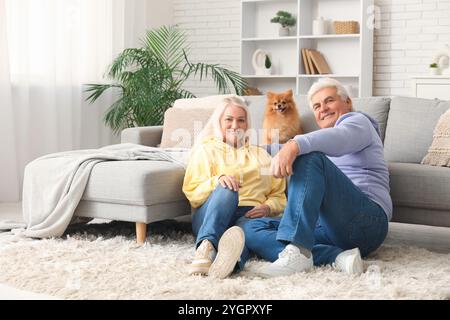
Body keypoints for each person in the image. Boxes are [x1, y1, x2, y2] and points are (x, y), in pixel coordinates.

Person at [242, 78, 392, 277]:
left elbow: (341, 138)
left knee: (308, 155)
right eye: (317, 106)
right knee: (248, 226)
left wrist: (294, 145)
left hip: (366, 222)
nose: (323, 109)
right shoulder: (321, 140)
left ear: (347, 102)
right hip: (330, 229)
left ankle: (299, 249)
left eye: (329, 101)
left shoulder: (358, 122)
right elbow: (275, 149)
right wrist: (245, 151)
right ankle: (335, 257)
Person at [182, 96, 287, 279]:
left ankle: (232, 262)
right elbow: (192, 191)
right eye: (228, 120)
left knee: (244, 232)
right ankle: (206, 247)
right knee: (228, 187)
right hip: (212, 214)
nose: (235, 125)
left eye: (241, 120)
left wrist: (268, 207)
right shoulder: (206, 150)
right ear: (219, 123)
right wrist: (218, 181)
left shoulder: (262, 155)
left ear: (247, 124)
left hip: (248, 216)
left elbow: (279, 195)